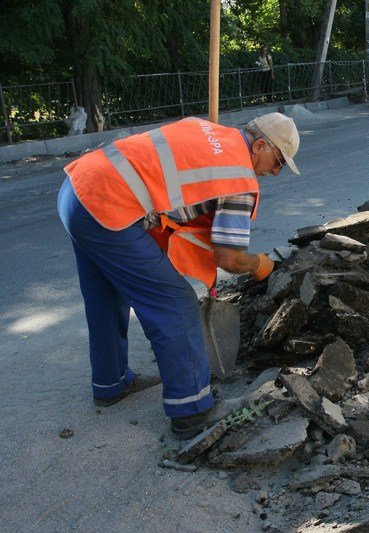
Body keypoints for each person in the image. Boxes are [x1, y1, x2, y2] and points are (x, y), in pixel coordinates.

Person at [57, 113, 300, 438]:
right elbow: (229, 258)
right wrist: (261, 265)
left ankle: (110, 383)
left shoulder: (209, 131)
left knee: (105, 294)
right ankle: (193, 411)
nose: (275, 171)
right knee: (175, 304)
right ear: (258, 146)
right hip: (108, 205)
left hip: (79, 190)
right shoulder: (239, 178)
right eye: (278, 161)